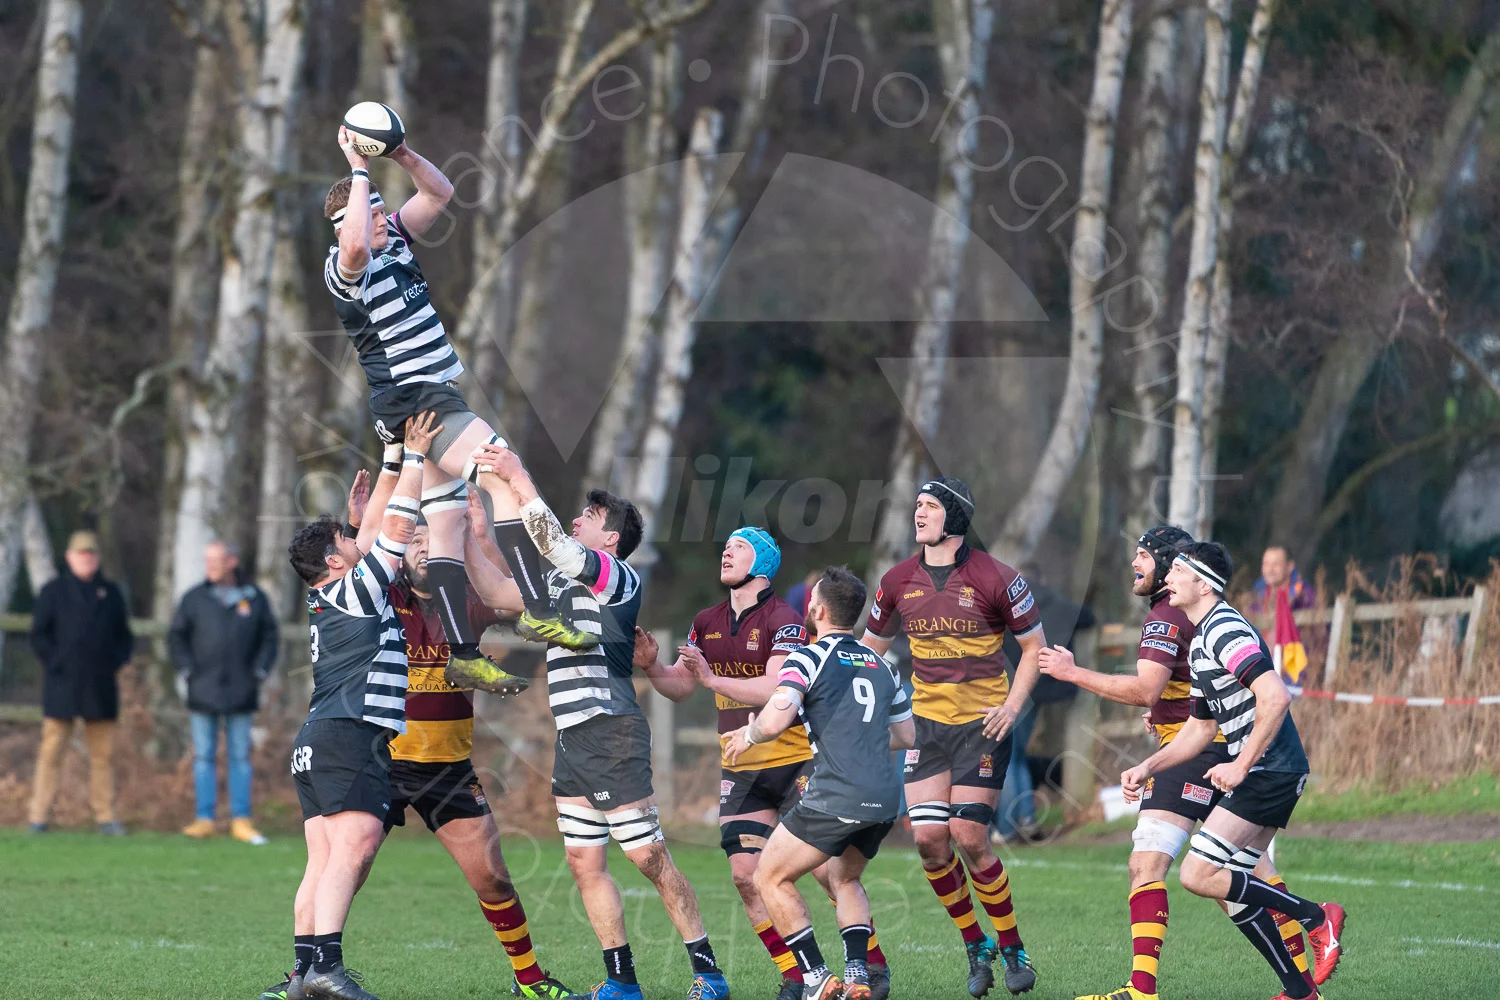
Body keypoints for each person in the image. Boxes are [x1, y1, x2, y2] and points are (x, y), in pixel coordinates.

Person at [324, 124, 593, 704]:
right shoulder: (345, 266)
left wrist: (397, 153)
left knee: (445, 522)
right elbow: (352, 248)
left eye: (377, 206)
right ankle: (540, 610)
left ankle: (464, 657)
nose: (379, 213)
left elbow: (440, 193)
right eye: (368, 208)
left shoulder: (393, 239)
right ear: (344, 219)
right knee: (501, 473)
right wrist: (358, 167)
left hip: (424, 397)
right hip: (418, 397)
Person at [1040, 527, 1343, 1000]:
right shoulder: (1202, 642)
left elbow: (1276, 696)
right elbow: (1200, 728)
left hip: (1271, 770)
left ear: (1204, 584)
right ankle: (1300, 990)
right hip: (1262, 769)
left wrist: (1241, 765)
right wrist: (1149, 766)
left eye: (1178, 569)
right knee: (1233, 885)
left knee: (1197, 875)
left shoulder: (1224, 629)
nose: (1168, 577)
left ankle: (1316, 917)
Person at [473, 441, 729, 1000]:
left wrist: (518, 476)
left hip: (611, 729)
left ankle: (708, 973)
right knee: (584, 862)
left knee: (647, 857)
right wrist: (467, 533)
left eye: (587, 518)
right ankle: (622, 982)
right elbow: (496, 591)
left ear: (610, 539)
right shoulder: (565, 584)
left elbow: (554, 546)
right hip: (573, 739)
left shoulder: (617, 577)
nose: (576, 521)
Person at [332, 474, 576, 1000]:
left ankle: (530, 982)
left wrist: (479, 530)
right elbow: (352, 566)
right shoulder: (382, 598)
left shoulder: (462, 601)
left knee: (493, 878)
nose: (422, 547)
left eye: (430, 540)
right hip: (382, 762)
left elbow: (509, 593)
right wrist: (359, 524)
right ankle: (304, 974)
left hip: (448, 767)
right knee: (346, 869)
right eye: (413, 541)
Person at [635, 531, 893, 1000]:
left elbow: (777, 689)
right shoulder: (705, 621)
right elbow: (683, 685)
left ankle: (869, 966)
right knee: (746, 877)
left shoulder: (787, 620)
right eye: (725, 546)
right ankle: (799, 974)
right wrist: (653, 667)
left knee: (825, 873)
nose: (726, 551)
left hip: (797, 763)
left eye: (739, 546)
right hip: (742, 769)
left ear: (764, 561)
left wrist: (713, 677)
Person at [264, 412, 433, 1000]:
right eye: (346, 541)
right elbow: (399, 525)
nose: (356, 542)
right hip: (348, 735)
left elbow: (372, 532)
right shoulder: (357, 589)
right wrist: (412, 458)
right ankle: (326, 971)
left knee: (323, 860)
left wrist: (386, 464)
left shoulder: (333, 591)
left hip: (318, 738)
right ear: (336, 562)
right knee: (355, 847)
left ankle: (304, 971)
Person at [861, 477, 1045, 997]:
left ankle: (1011, 945)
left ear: (955, 518)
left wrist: (1012, 706)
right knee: (928, 840)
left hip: (983, 727)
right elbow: (869, 653)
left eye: (930, 506)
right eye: (916, 505)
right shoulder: (896, 580)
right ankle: (975, 945)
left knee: (969, 837)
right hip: (927, 729)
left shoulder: (997, 577)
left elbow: (1035, 648)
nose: (918, 513)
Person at [725, 567, 915, 1000]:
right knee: (844, 879)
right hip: (885, 798)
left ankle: (814, 978)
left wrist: (748, 735)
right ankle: (858, 976)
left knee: (769, 877)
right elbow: (907, 737)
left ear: (818, 609)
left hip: (838, 792)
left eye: (810, 602)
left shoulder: (808, 656)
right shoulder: (883, 665)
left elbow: (775, 720)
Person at [170, 540, 280, 845]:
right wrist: (187, 670)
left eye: (216, 560)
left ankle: (241, 820)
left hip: (242, 689)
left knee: (240, 757)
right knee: (203, 756)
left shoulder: (254, 598)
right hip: (202, 689)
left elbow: (269, 637)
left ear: (231, 561)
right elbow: (176, 638)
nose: (211, 566)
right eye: (207, 561)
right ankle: (204, 819)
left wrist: (259, 671)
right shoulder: (194, 598)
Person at [27, 530, 134, 835]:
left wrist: (117, 661)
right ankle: (39, 815)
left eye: (91, 555)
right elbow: (38, 635)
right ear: (69, 557)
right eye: (80, 554)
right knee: (51, 753)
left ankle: (105, 815)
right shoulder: (53, 591)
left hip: (100, 686)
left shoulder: (110, 593)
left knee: (103, 755)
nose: (86, 559)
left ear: (97, 558)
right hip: (62, 683)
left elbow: (124, 636)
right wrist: (56, 661)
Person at [995, 563, 1094, 842]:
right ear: (1043, 577)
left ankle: (1005, 828)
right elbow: (1087, 617)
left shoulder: (1006, 604)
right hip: (1040, 691)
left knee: (1007, 757)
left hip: (1009, 689)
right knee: (1017, 756)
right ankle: (1026, 820)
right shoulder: (1057, 602)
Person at [1248, 547, 1316, 617]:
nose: (1270, 570)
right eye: (1266, 564)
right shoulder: (1257, 592)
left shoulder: (1304, 594)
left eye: (1276, 564)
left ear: (1290, 566)